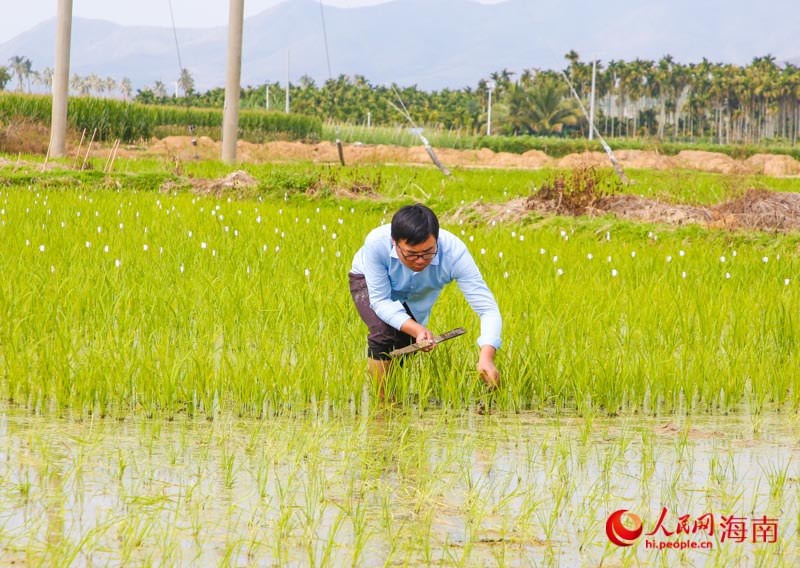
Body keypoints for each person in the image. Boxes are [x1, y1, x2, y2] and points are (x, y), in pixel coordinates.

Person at [349, 203, 501, 398]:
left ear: (437, 240)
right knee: (384, 333)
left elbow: (487, 309)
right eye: (411, 254)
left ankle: (393, 396)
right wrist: (418, 329)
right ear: (394, 242)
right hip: (369, 282)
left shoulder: (455, 254)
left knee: (403, 347)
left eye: (428, 252)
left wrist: (487, 356)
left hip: (416, 298)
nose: (420, 260)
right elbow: (380, 301)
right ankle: (383, 404)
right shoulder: (376, 244)